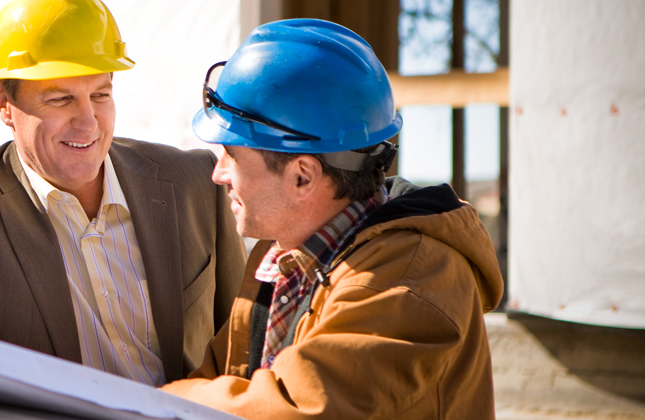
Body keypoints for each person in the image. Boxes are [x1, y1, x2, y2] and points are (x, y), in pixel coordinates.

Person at [0, 0, 247, 386]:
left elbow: (247, 340)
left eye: (100, 95)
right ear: (3, 103)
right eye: (60, 100)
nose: (88, 123)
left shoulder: (193, 183)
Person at [159, 19, 504, 418]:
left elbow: (301, 408)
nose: (218, 174)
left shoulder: (412, 278)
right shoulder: (278, 258)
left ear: (302, 176)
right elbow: (221, 380)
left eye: (231, 155)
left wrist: (156, 403)